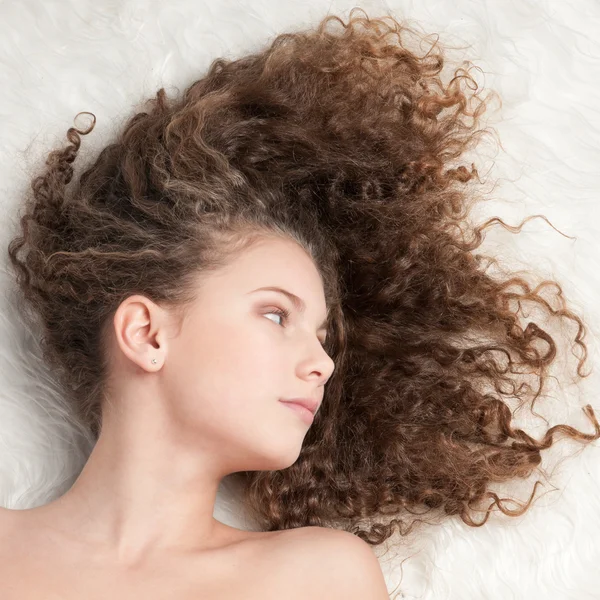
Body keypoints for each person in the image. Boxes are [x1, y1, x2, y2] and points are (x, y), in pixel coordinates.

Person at [3, 7, 598, 599]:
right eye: (275, 314)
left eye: (321, 336)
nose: (323, 364)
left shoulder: (316, 577)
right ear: (147, 334)